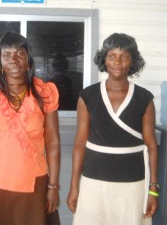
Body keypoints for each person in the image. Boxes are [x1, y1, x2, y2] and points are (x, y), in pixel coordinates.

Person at [0, 31, 61, 225]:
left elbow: (53, 142)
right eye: (6, 55)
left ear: (28, 59)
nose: (14, 59)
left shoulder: (45, 94)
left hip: (34, 185)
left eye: (20, 53)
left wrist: (53, 186)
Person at [67, 33, 159, 225]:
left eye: (124, 56)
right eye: (112, 56)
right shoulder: (88, 96)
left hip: (132, 182)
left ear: (132, 61)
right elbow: (79, 143)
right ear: (104, 60)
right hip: (94, 180)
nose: (118, 61)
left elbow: (151, 146)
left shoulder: (144, 98)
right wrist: (74, 186)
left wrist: (153, 189)